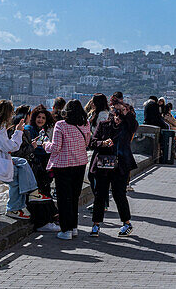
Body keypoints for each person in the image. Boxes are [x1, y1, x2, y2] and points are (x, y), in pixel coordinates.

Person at [87, 93, 135, 237]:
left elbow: (133, 125)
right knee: (100, 194)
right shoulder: (103, 125)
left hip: (120, 166)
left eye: (121, 116)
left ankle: (127, 223)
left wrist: (126, 111)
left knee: (119, 193)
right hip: (103, 164)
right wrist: (103, 143)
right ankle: (96, 225)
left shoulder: (127, 127)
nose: (118, 118)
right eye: (116, 115)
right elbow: (92, 142)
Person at [44, 99, 91, 240]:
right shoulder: (85, 124)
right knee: (74, 197)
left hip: (63, 166)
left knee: (64, 199)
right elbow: (87, 142)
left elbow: (56, 147)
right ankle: (74, 227)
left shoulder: (61, 125)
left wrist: (45, 144)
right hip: (80, 163)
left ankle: (66, 230)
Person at [21, 104, 54, 199]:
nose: (41, 120)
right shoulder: (29, 129)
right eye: (39, 117)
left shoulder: (41, 130)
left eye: (43, 118)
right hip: (34, 165)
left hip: (41, 165)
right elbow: (32, 147)